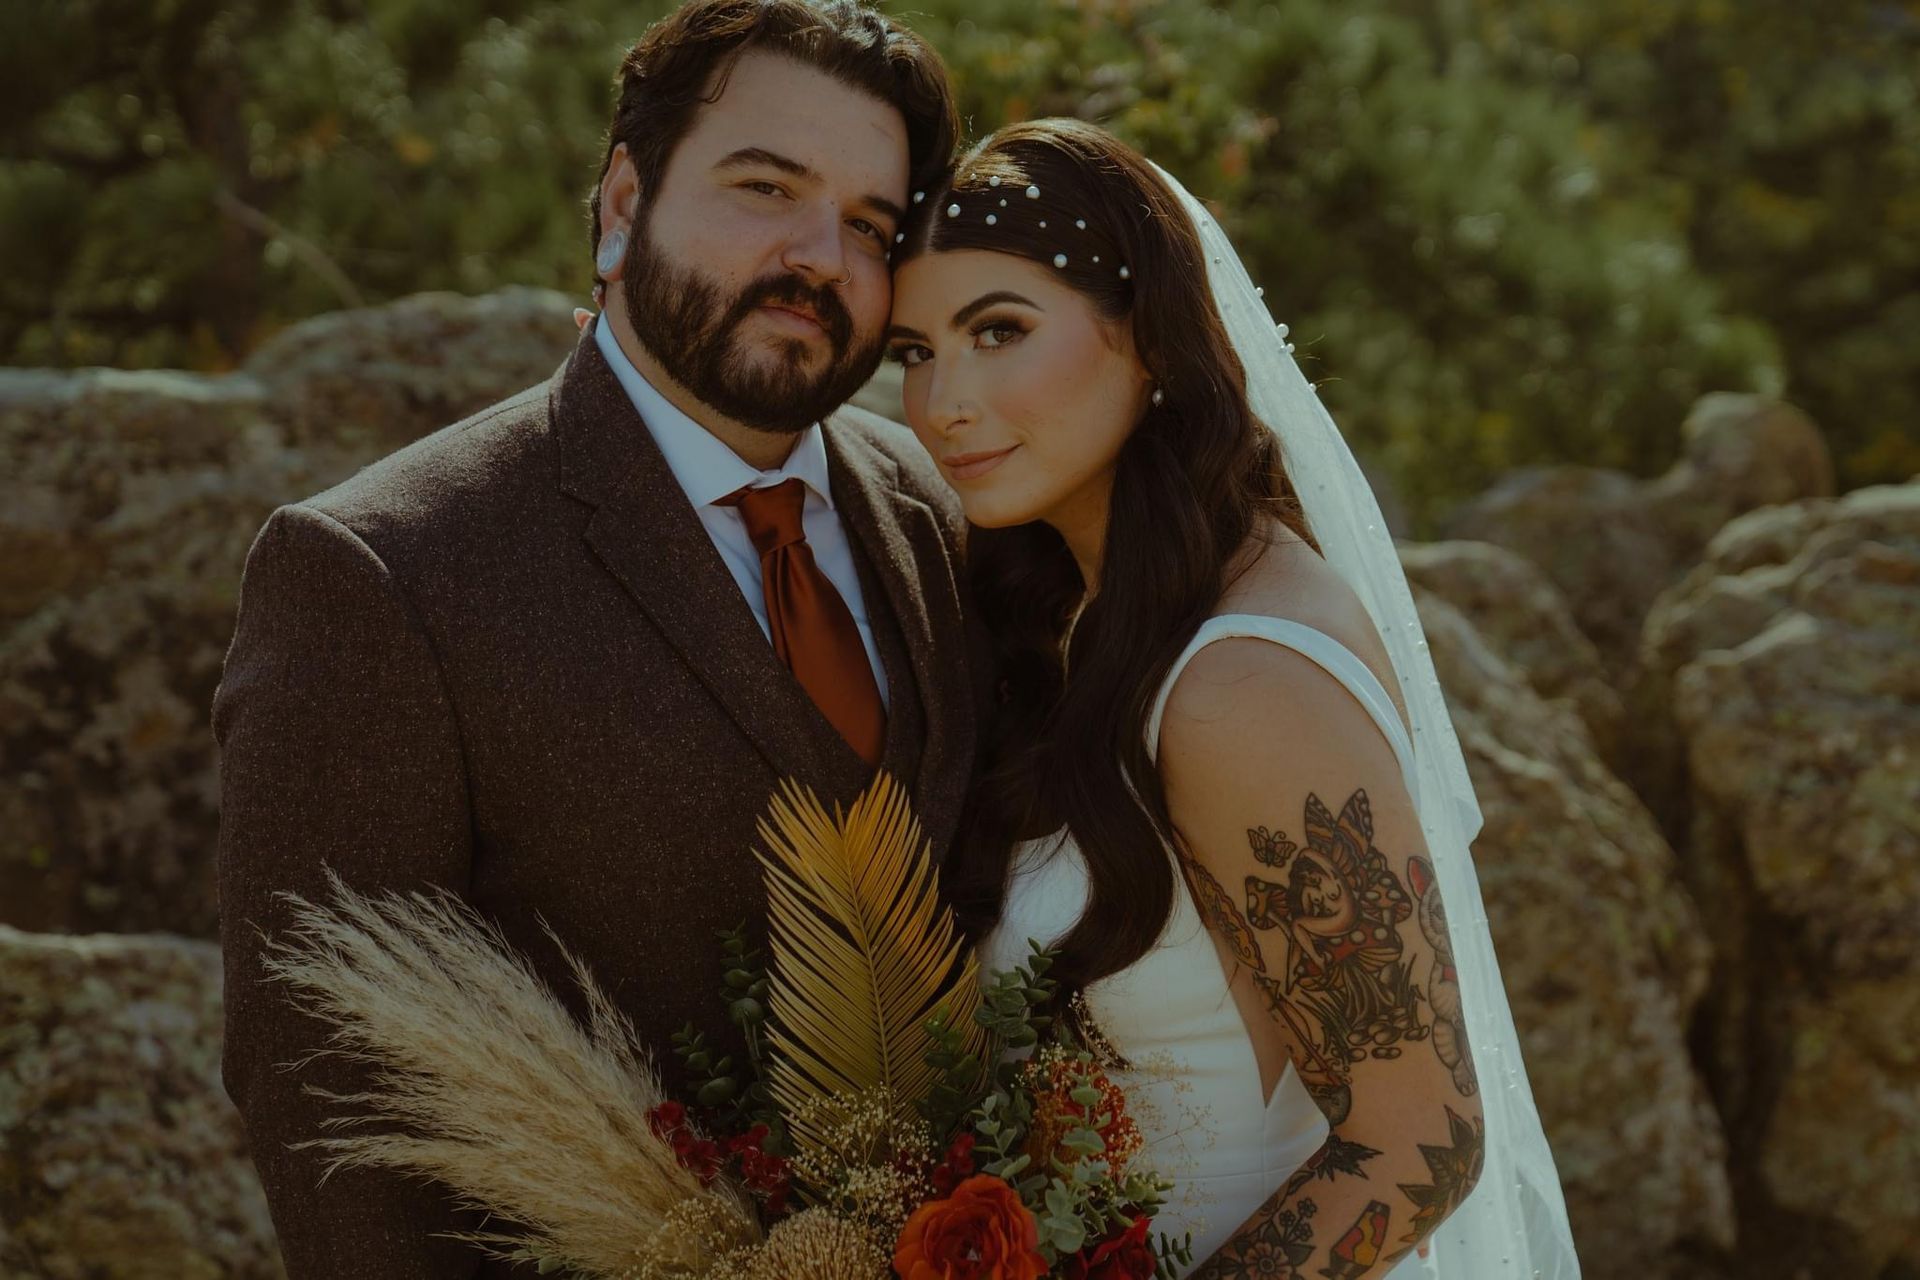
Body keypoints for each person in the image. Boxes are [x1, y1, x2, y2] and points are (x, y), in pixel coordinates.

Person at [211, 3, 986, 1275]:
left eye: (869, 224)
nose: (817, 256)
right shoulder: (381, 570)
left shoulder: (954, 516)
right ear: (625, 203)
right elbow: (330, 1107)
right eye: (765, 187)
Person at [884, 119, 1582, 1278]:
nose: (944, 400)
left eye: (998, 330)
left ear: (1151, 338)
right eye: (914, 350)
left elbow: (1421, 1140)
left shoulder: (1236, 680)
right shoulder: (1081, 613)